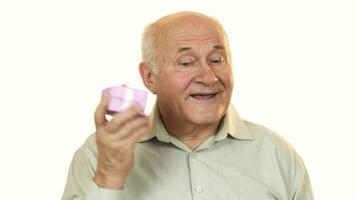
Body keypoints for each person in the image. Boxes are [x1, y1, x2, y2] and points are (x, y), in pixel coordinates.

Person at [62, 11, 314, 200]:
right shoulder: (97, 156)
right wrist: (109, 176)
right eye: (186, 62)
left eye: (217, 59)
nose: (208, 77)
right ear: (149, 77)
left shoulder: (277, 154)